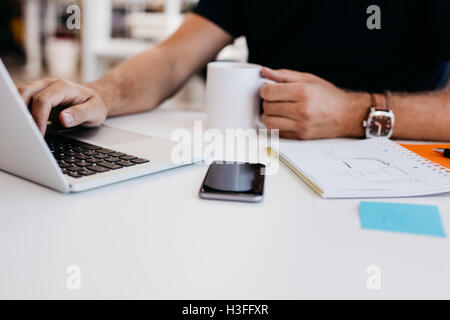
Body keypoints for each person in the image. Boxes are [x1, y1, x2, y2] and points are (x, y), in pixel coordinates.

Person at [18, 0, 450, 140]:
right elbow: (172, 58)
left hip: (402, 164)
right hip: (273, 163)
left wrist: (350, 112)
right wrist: (101, 93)